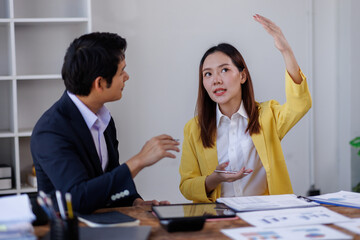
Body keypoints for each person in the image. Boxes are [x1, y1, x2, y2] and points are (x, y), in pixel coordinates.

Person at [31, 32, 180, 214]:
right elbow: (78, 197)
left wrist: (134, 202)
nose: (127, 77)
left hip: (108, 223)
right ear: (99, 83)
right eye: (121, 71)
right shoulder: (50, 131)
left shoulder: (104, 119)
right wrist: (138, 161)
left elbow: (108, 179)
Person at [179, 14, 312, 202]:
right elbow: (186, 186)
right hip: (220, 219)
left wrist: (286, 51)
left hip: (267, 214)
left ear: (242, 76)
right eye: (208, 74)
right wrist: (214, 179)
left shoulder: (267, 116)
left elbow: (300, 104)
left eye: (224, 70)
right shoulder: (194, 129)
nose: (216, 79)